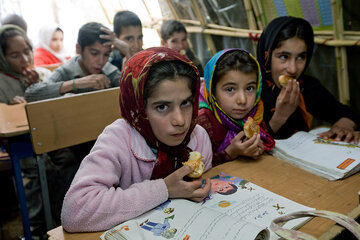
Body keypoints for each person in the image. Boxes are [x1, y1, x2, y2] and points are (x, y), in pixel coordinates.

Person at [61, 47, 212, 232]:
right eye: (162, 106)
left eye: (186, 103)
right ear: (138, 107)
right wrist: (164, 189)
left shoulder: (198, 137)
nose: (180, 120)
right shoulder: (117, 139)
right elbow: (75, 212)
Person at [257, 16, 360, 143]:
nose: (293, 69)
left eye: (301, 57)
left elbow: (346, 113)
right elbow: (243, 142)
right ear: (266, 56)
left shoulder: (307, 87)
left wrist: (344, 125)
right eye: (284, 56)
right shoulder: (250, 90)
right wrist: (280, 116)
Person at [198, 48, 275, 166]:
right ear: (212, 91)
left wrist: (257, 147)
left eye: (249, 88)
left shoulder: (255, 112)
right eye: (230, 89)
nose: (242, 100)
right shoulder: (202, 121)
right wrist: (230, 153)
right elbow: (196, 168)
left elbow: (264, 141)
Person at [24, 22, 121, 102]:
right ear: (78, 49)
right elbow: (31, 94)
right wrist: (75, 83)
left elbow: (134, 88)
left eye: (106, 54)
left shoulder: (108, 70)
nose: (101, 61)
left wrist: (128, 51)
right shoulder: (66, 71)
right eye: (94, 53)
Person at [0, 24, 50, 104]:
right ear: (2, 59)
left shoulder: (44, 74)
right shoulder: (2, 84)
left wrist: (37, 87)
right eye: (15, 56)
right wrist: (11, 109)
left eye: (27, 51)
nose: (25, 60)